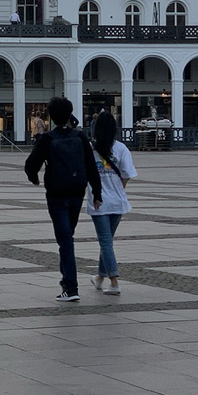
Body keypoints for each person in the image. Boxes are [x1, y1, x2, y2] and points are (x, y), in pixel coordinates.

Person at [24, 96, 102, 303]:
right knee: (68, 235)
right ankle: (68, 279)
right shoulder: (80, 137)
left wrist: (35, 178)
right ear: (70, 114)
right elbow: (91, 166)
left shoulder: (48, 139)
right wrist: (98, 193)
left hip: (57, 194)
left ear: (51, 115)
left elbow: (31, 164)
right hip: (77, 192)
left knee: (65, 239)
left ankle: (70, 286)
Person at [87, 110, 136, 296]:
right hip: (118, 202)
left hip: (98, 202)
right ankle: (99, 278)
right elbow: (127, 175)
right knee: (106, 242)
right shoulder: (121, 148)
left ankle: (114, 281)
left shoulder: (91, 150)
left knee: (105, 242)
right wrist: (119, 189)